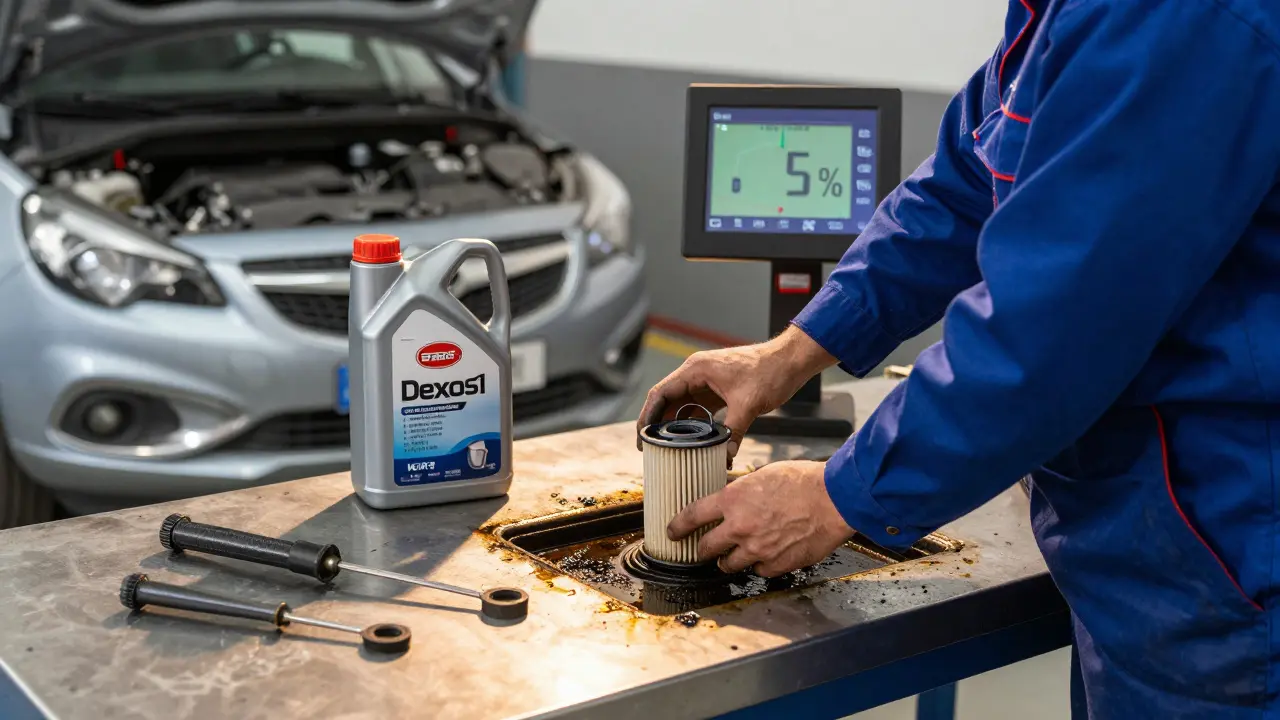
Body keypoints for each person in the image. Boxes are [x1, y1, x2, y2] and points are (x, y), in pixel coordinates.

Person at [638, 1, 1280, 717]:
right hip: (1148, 557)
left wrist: (836, 494)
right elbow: (957, 190)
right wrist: (789, 354)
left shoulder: (1172, 16)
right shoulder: (1057, 15)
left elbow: (1049, 330)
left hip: (1231, 555)